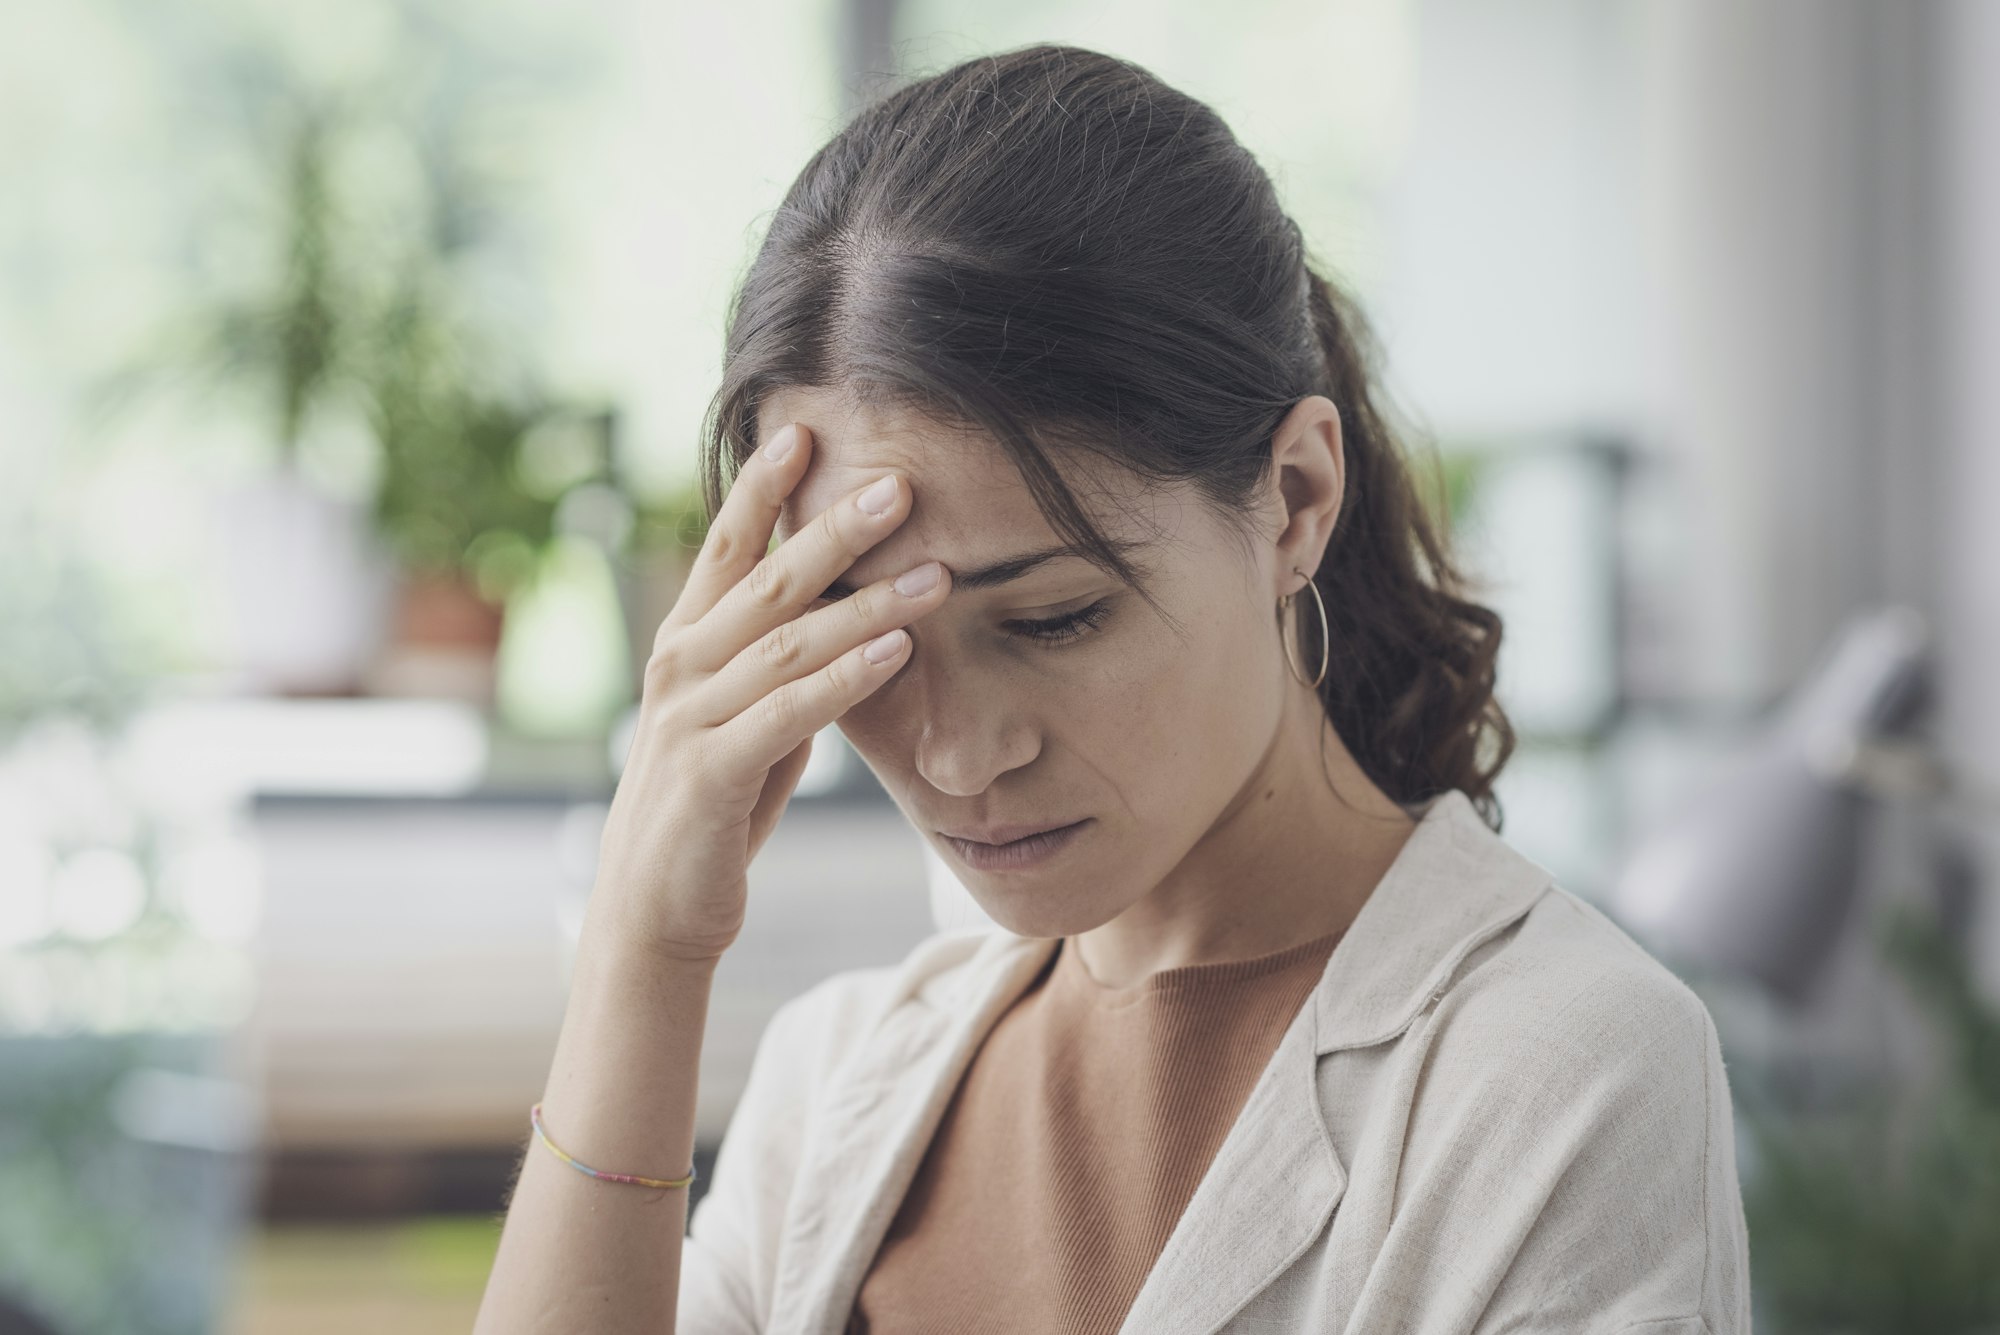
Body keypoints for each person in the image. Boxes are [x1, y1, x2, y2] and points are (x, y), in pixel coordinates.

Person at [474, 42, 1751, 1335]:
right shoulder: (836, 1083)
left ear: (1297, 499)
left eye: (1053, 618)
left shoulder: (1558, 1074)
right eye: (867, 637)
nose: (958, 757)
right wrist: (644, 949)